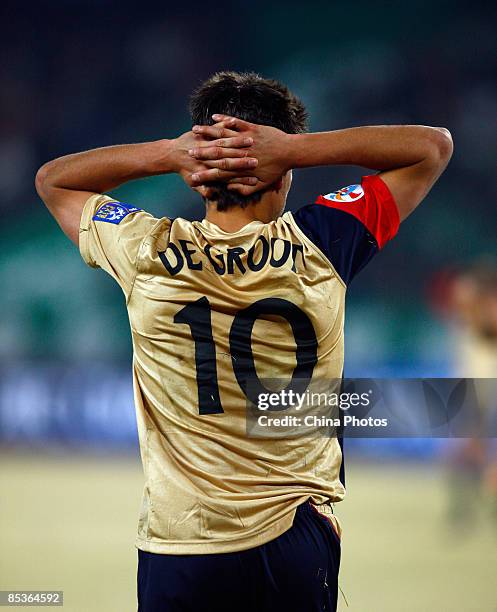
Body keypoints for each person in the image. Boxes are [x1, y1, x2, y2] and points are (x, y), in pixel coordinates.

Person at [35, 71, 453, 612]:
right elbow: (431, 147)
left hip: (180, 546)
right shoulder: (323, 242)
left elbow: (54, 181)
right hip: (292, 538)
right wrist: (297, 149)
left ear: (197, 175)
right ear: (283, 175)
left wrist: (168, 153)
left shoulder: (144, 250)